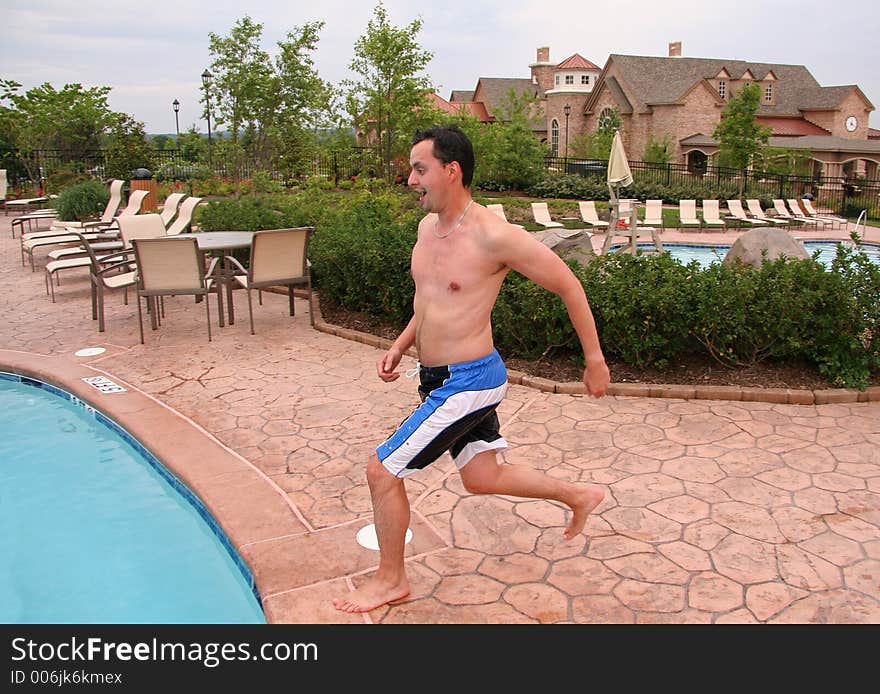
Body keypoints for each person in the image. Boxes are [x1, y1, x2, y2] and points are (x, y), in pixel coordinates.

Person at [333, 124, 610, 613]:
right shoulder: (427, 229)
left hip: (470, 380)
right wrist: (401, 344)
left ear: (451, 170)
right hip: (436, 378)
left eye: (420, 169)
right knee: (481, 476)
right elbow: (430, 301)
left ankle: (391, 578)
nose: (411, 180)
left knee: (382, 469)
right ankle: (578, 495)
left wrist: (594, 359)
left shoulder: (494, 236)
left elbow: (570, 285)